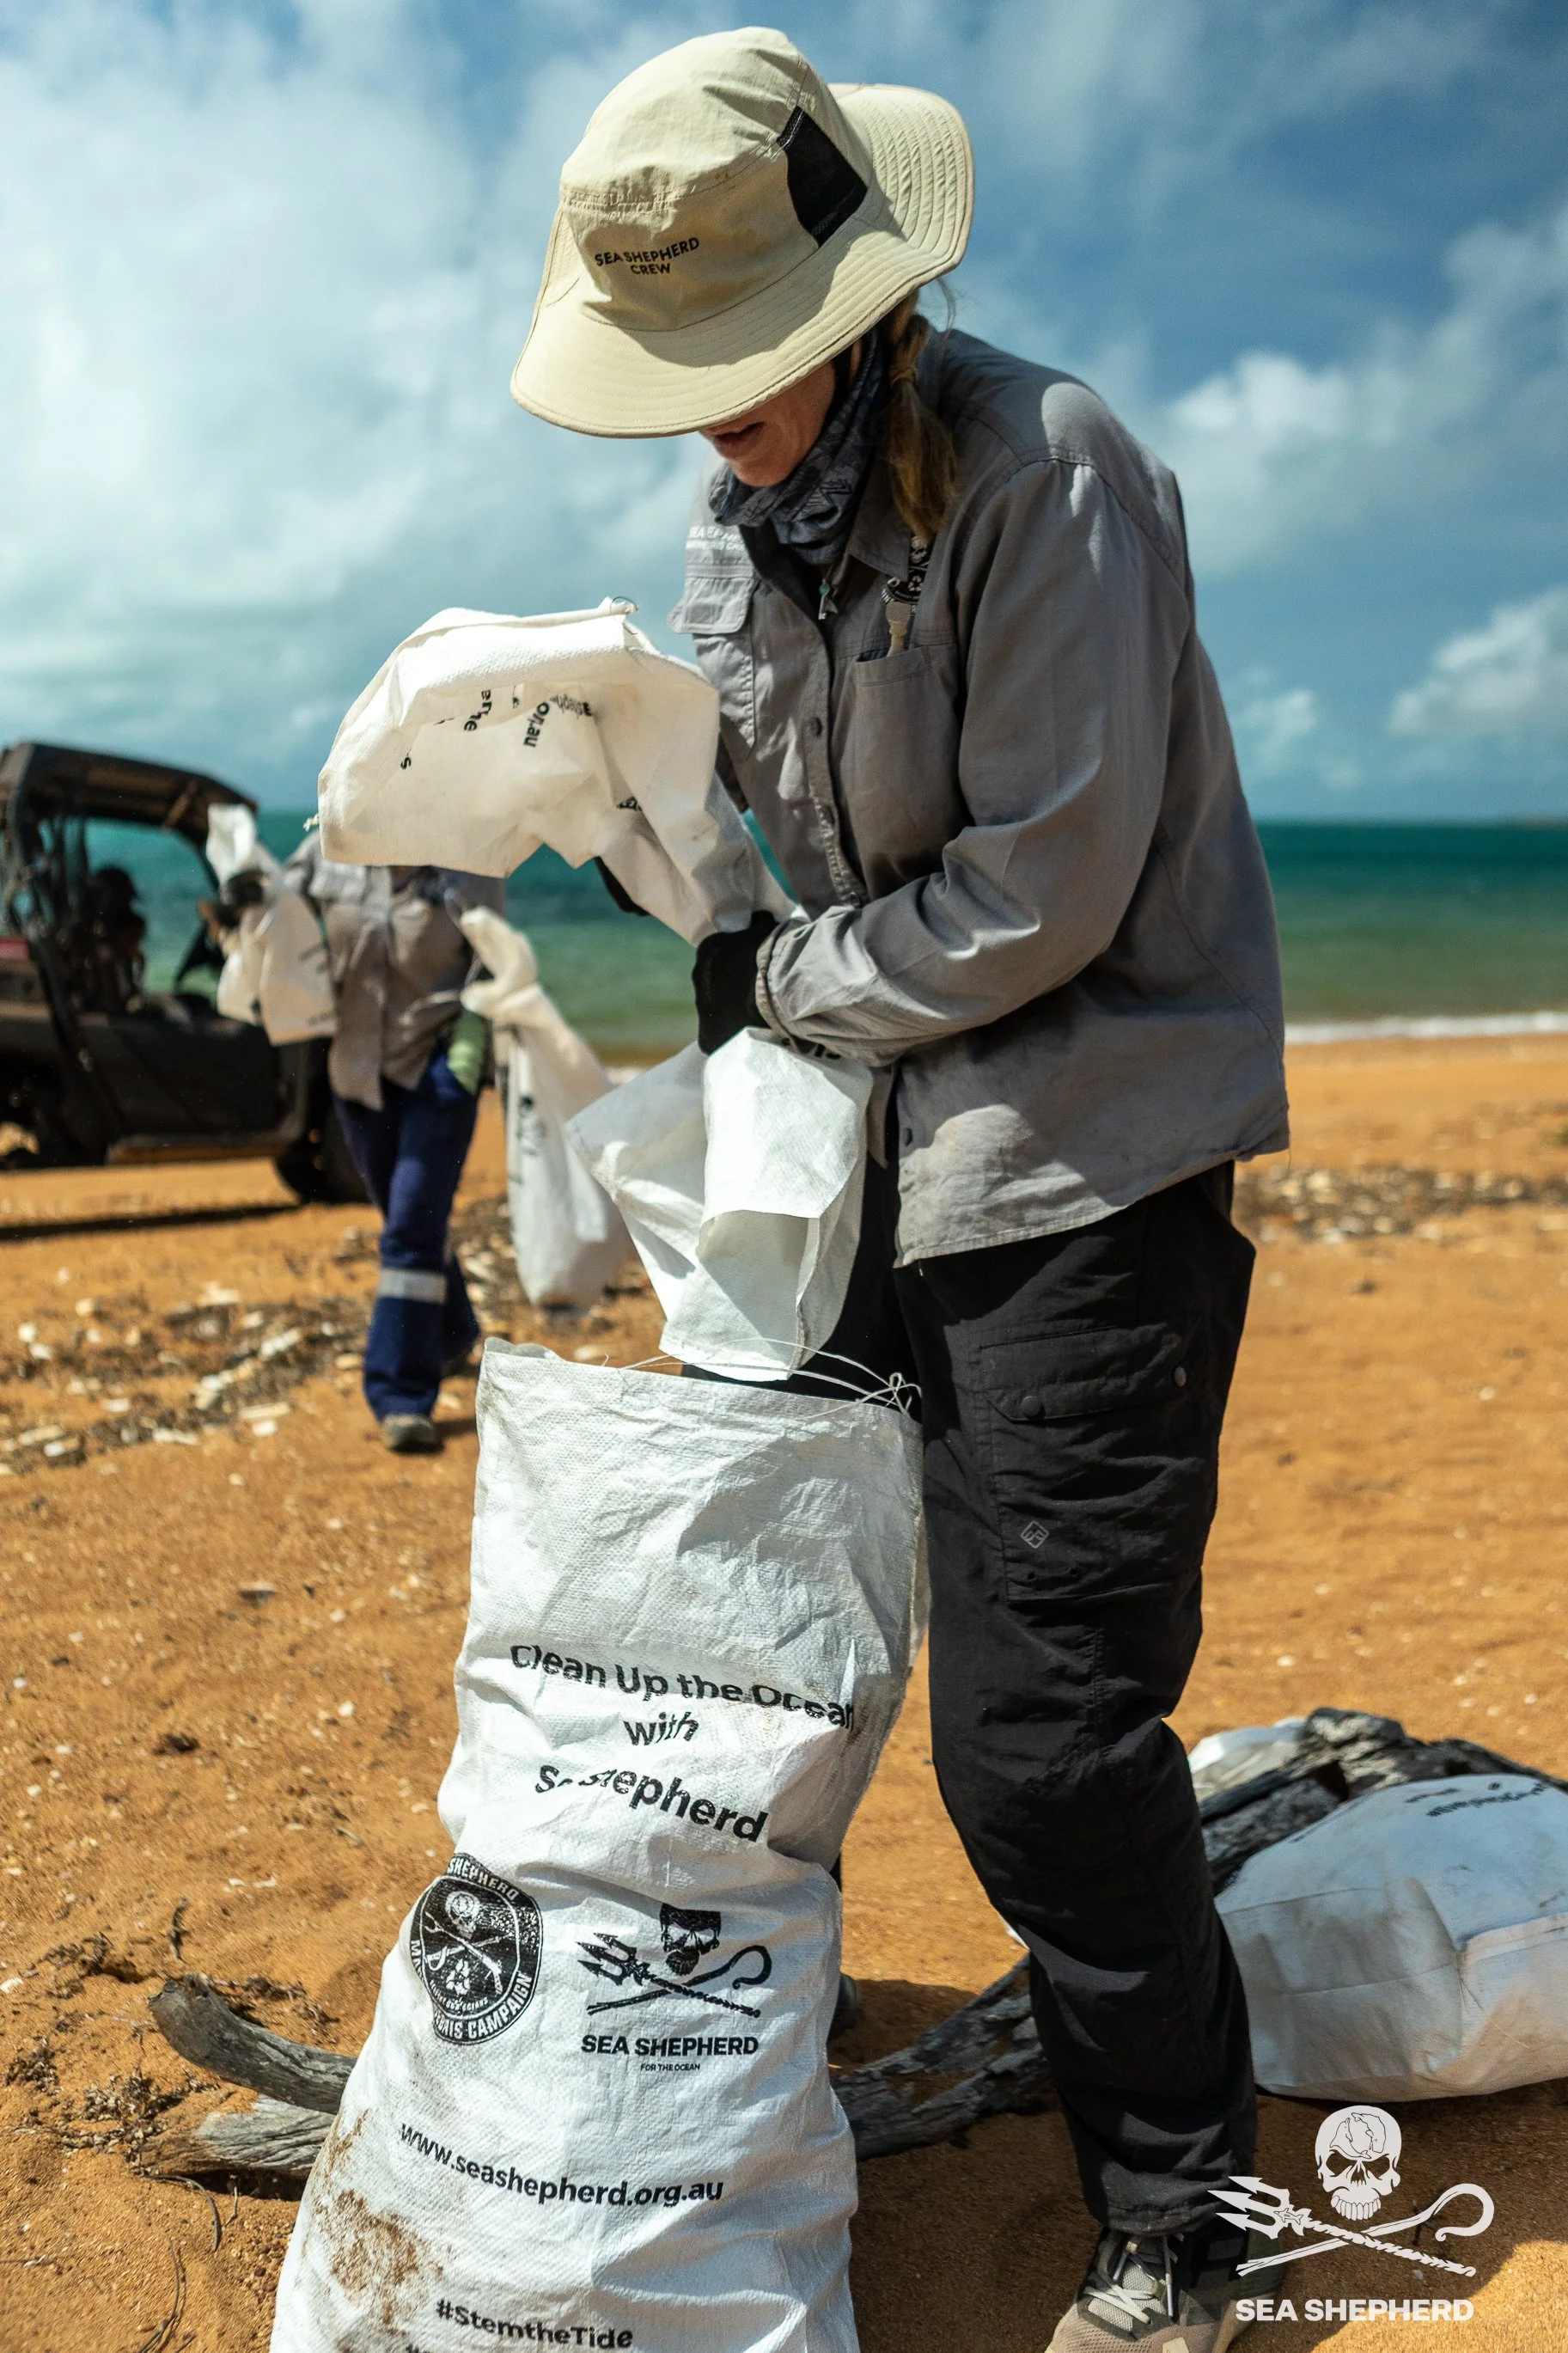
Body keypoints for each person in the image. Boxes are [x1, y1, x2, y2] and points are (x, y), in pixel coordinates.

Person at [511, 33, 1289, 2350]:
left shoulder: (1055, 473)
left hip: (1083, 1177)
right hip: (877, 1162)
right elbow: (779, 838)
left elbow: (1043, 891)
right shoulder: (733, 522)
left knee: (1044, 1744)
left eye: (737, 375)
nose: (710, 423)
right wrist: (633, 791)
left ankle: (1180, 2216)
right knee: (772, 1642)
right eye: (686, 383)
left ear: (857, 317)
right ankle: (744, 2065)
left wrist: (780, 975)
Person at [288, 841, 503, 1454]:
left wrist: (467, 1056)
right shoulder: (329, 847)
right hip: (354, 1074)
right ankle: (454, 1331)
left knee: (408, 1229)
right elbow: (281, 923)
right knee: (413, 1222)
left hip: (437, 1074)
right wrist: (243, 906)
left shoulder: (472, 857)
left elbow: (498, 965)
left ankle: (401, 1394)